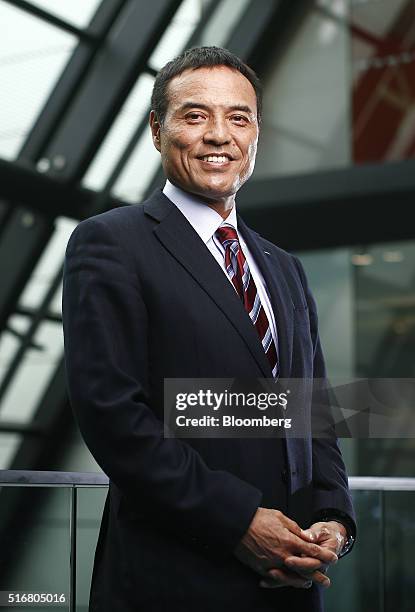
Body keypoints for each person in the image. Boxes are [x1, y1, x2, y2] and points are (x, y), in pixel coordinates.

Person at [62, 46, 356, 612]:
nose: (219, 135)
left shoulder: (283, 268)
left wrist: (332, 520)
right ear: (156, 130)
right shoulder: (111, 243)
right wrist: (240, 520)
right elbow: (112, 415)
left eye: (238, 117)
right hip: (174, 580)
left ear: (255, 136)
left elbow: (313, 412)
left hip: (290, 584)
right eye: (196, 116)